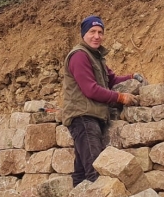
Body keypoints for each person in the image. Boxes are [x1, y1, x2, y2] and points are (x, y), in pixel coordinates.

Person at [61, 15, 143, 187]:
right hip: (83, 117)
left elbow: (111, 80)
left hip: (90, 117)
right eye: (92, 31)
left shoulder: (95, 56)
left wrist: (131, 77)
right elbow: (90, 89)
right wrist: (120, 97)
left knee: (82, 171)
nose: (97, 36)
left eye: (100, 32)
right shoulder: (79, 56)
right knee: (95, 172)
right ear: (84, 34)